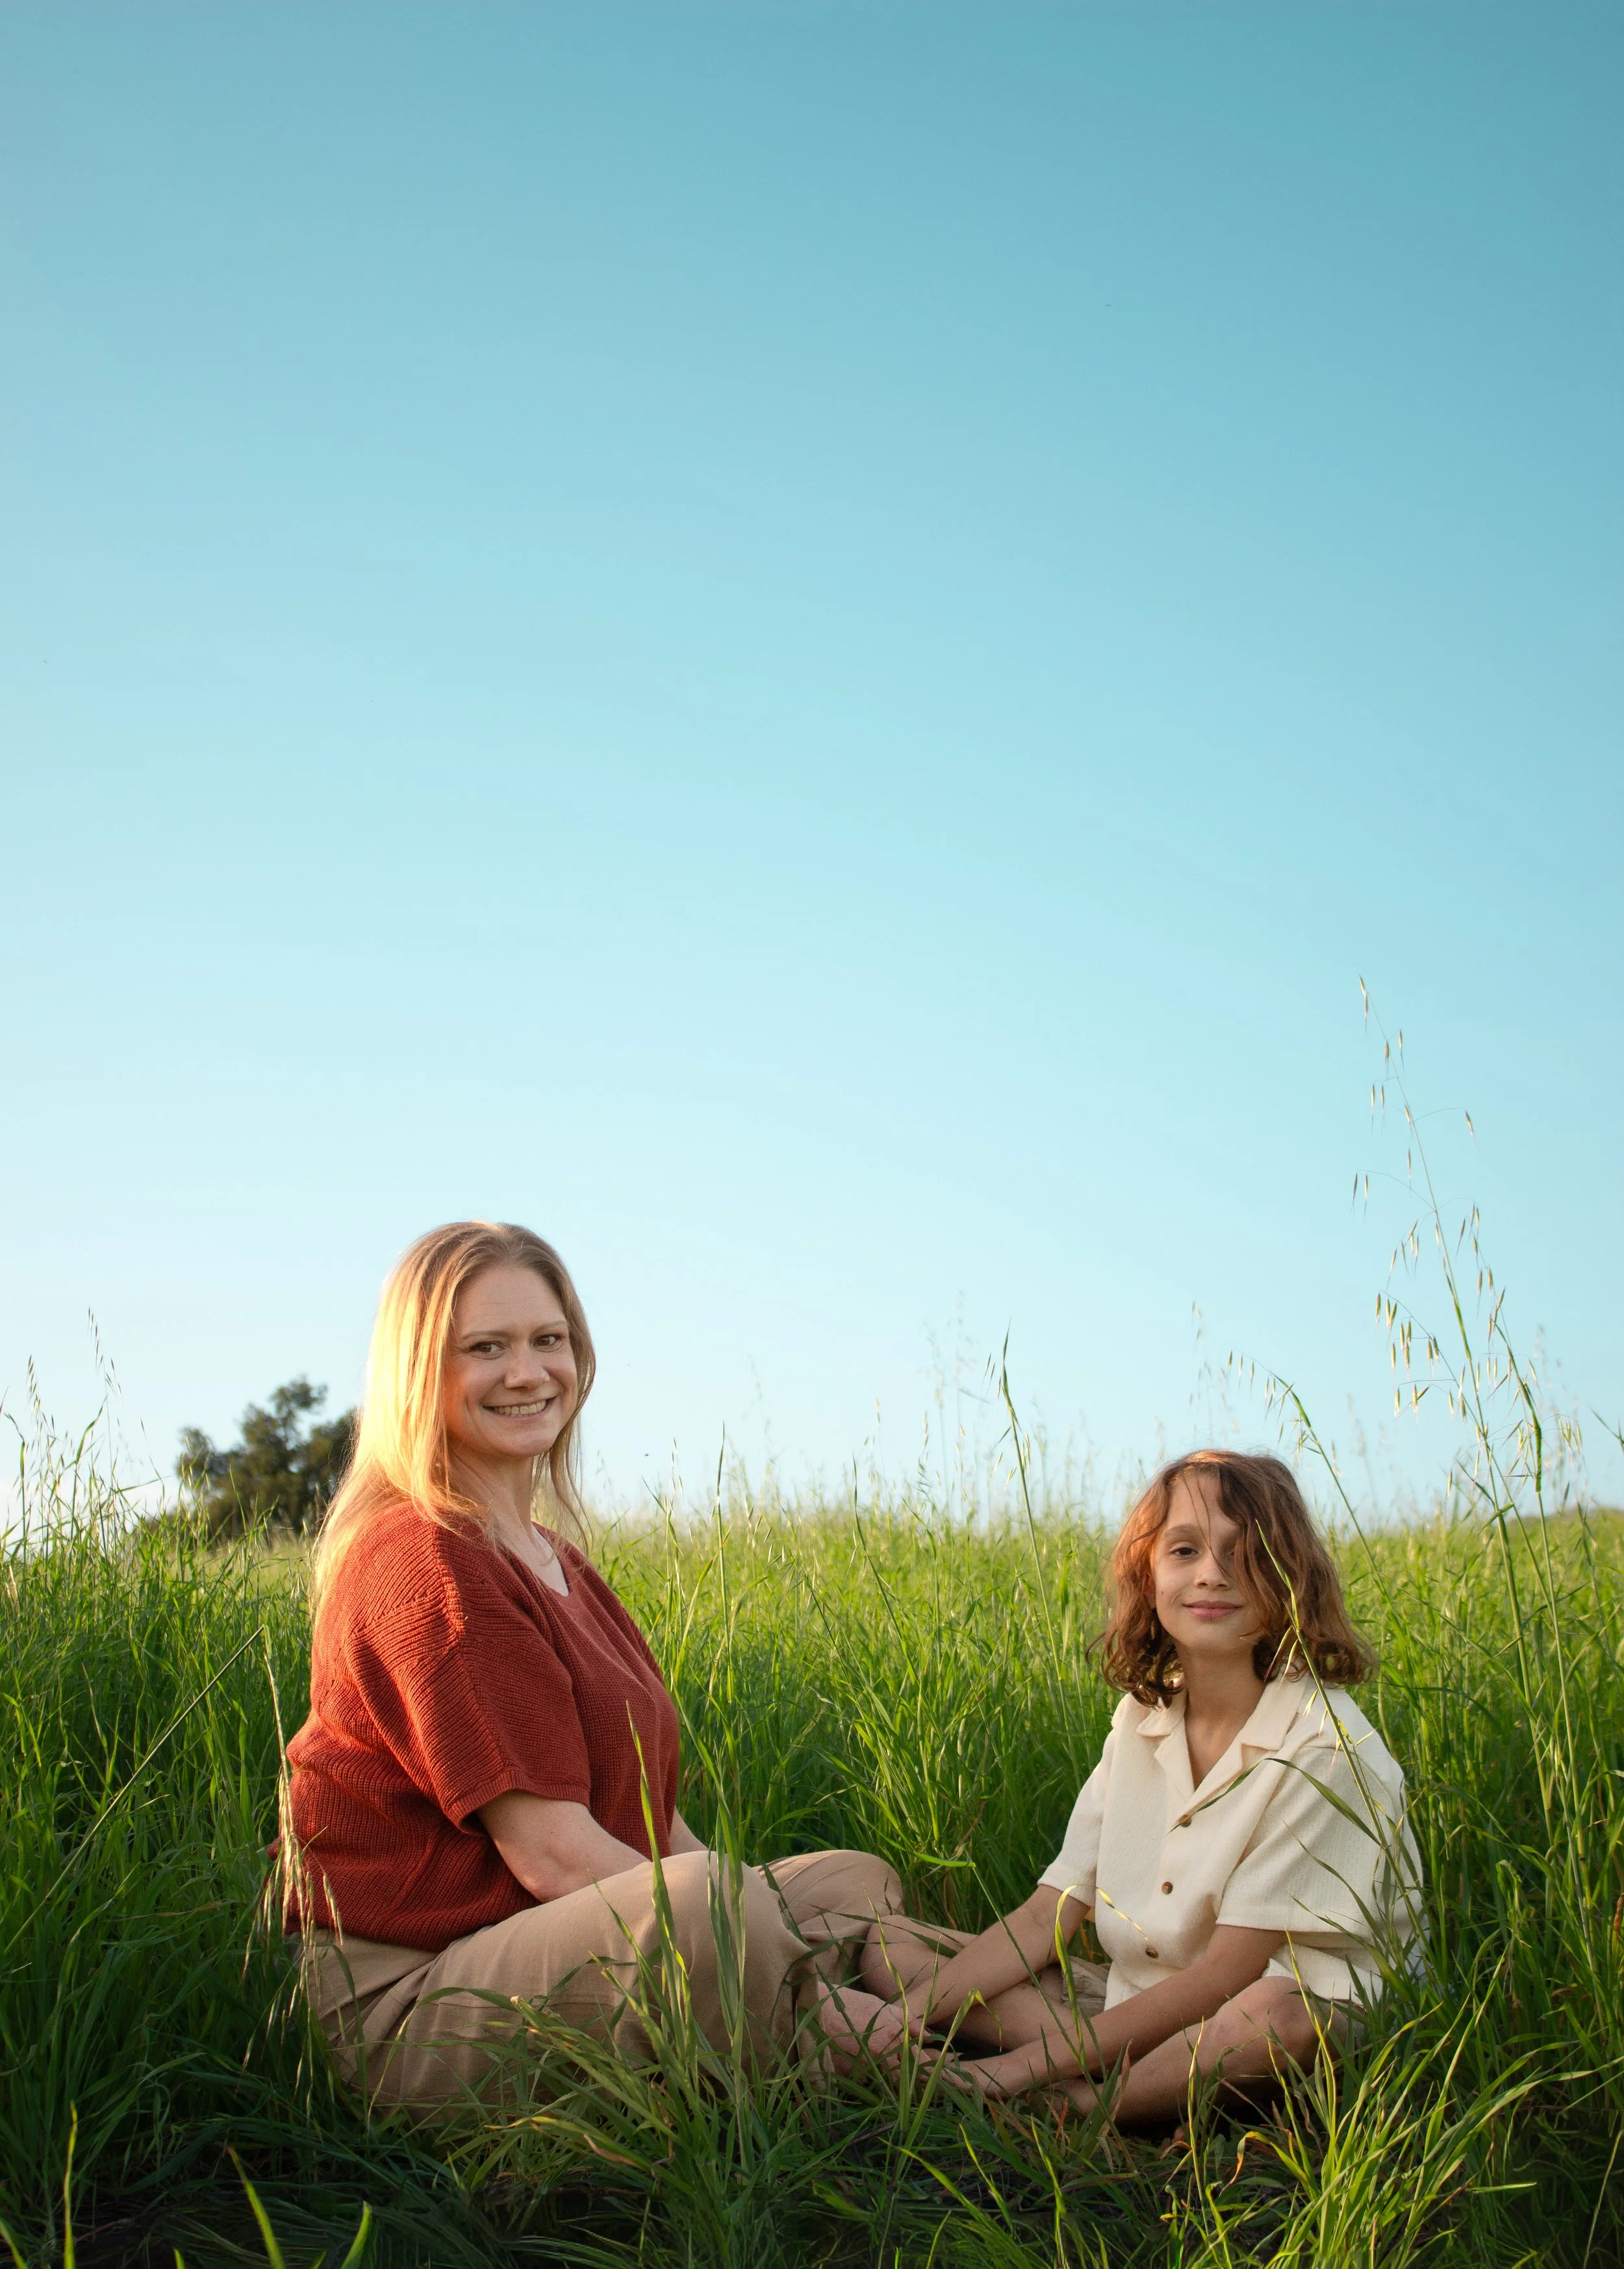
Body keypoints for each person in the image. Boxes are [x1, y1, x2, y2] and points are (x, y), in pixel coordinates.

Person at [284, 1220, 910, 2110]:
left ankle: (1035, 2018)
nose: (529, 1372)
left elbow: (658, 1829)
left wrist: (769, 1925)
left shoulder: (554, 1560)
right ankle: (958, 2079)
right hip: (412, 1997)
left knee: (849, 1882)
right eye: (485, 1348)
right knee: (706, 1912)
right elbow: (554, 1854)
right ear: (420, 1372)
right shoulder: (423, 1559)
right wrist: (801, 1976)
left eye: (549, 1340)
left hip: (531, 1936)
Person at [861, 1450, 1419, 2123]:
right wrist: (892, 2022)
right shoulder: (1141, 1721)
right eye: (1184, 1550)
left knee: (1271, 2020)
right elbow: (1048, 1916)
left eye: (1246, 1556)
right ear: (1146, 1574)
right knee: (891, 1948)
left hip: (1275, 2012)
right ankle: (1098, 2063)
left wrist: (1005, 2073)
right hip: (1138, 2002)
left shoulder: (1325, 1748)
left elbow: (1225, 1975)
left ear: (1290, 1582)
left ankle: (1083, 2106)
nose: (1212, 1574)